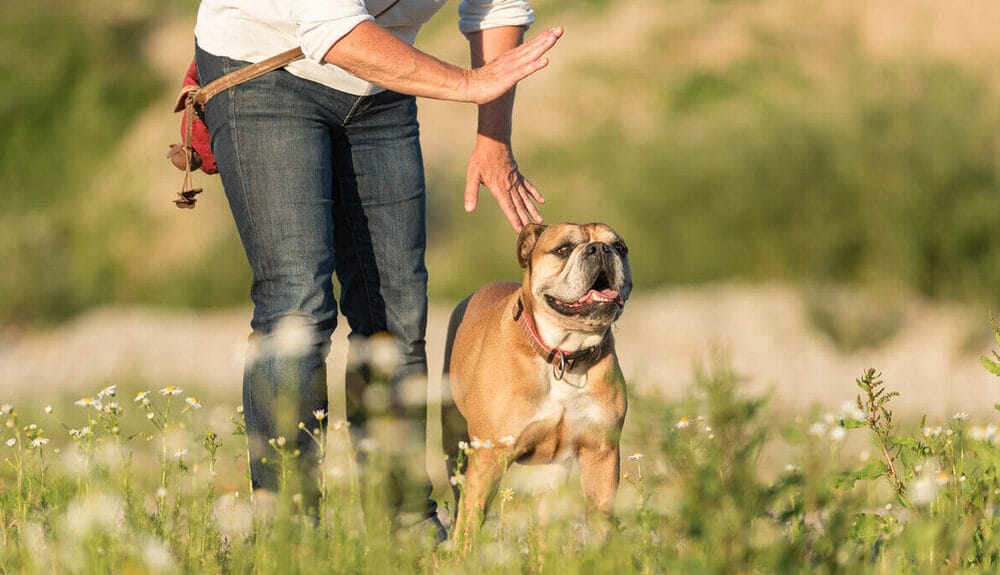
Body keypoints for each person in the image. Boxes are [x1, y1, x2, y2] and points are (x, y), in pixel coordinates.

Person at [192, 0, 561, 536]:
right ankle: (288, 536)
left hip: (378, 85)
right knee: (297, 306)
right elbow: (331, 28)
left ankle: (404, 525)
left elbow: (496, 5)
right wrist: (466, 84)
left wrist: (493, 137)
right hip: (264, 65)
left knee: (397, 314)